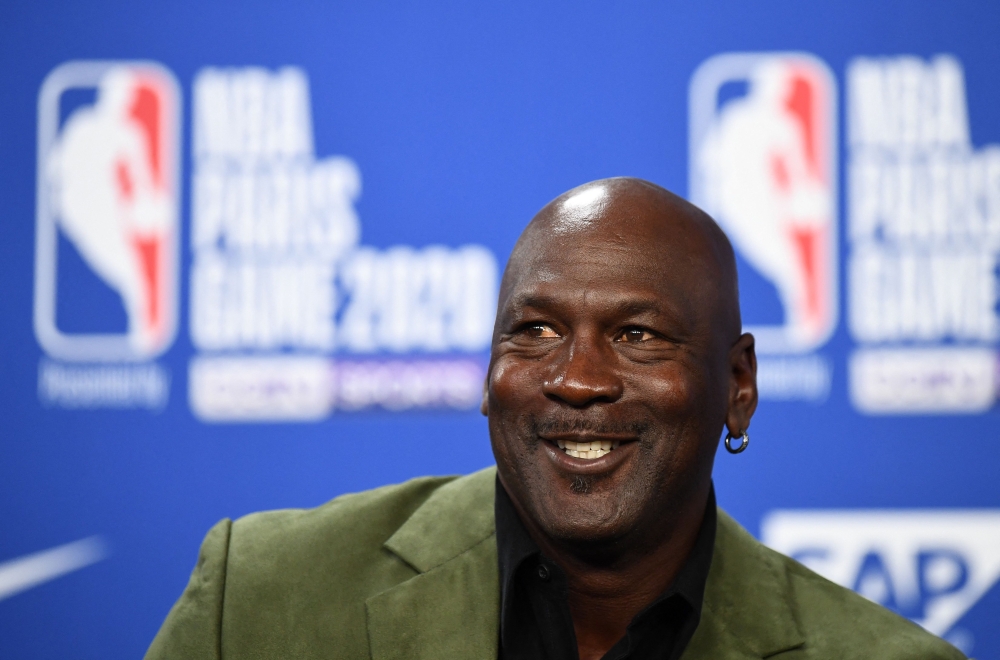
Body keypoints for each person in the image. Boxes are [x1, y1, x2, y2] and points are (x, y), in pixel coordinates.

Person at [146, 178, 964, 660]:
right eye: (534, 331)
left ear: (737, 385)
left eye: (638, 336)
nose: (575, 380)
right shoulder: (256, 599)